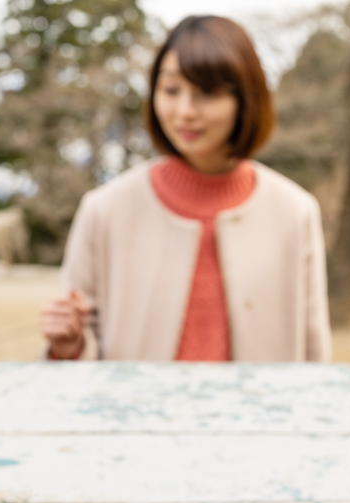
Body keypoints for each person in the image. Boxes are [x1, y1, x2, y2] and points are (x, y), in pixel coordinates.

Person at [40, 16, 331, 362]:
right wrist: (68, 344)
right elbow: (81, 347)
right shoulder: (104, 209)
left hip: (259, 415)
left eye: (207, 92)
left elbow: (314, 354)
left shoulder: (295, 212)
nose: (184, 111)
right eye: (171, 90)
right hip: (135, 414)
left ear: (246, 98)